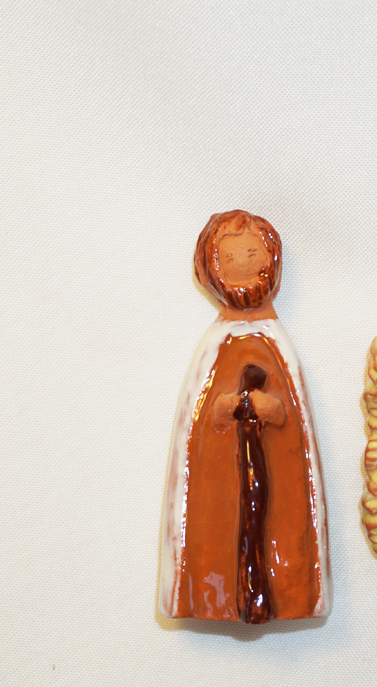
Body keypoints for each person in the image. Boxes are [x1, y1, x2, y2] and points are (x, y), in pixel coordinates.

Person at [158, 211, 330, 623]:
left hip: (275, 475)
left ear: (270, 262)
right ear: (210, 269)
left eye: (252, 254)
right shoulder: (214, 345)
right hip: (222, 480)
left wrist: (275, 410)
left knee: (280, 526)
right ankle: (209, 596)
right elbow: (197, 424)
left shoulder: (276, 341)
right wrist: (222, 411)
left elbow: (295, 422)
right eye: (230, 257)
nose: (242, 265)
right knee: (218, 527)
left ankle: (287, 593)